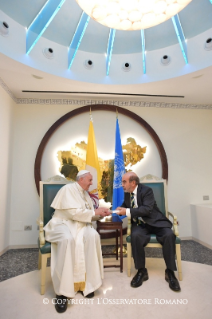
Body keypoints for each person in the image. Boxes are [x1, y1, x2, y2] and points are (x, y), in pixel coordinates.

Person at [44, 170, 111, 313]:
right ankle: (61, 293)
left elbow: (86, 216)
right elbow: (73, 214)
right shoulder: (68, 189)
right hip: (62, 224)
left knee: (93, 235)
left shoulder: (85, 194)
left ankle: (88, 285)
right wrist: (94, 212)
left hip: (79, 225)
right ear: (81, 179)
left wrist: (100, 214)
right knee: (67, 240)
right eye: (90, 180)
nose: (92, 183)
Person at [116, 172, 181, 292]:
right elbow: (125, 206)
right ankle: (141, 271)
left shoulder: (147, 191)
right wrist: (115, 211)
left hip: (156, 222)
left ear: (133, 182)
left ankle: (170, 272)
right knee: (135, 236)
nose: (122, 185)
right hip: (141, 225)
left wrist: (126, 211)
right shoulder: (127, 194)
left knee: (169, 235)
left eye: (124, 182)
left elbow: (146, 209)